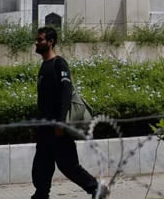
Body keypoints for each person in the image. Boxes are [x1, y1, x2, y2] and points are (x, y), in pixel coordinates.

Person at [31, 26, 105, 199]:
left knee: (69, 165)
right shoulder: (44, 66)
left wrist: (61, 122)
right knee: (41, 165)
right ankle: (41, 194)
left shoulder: (59, 63)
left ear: (50, 42)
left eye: (40, 39)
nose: (37, 42)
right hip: (45, 127)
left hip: (58, 127)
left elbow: (66, 92)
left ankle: (96, 189)